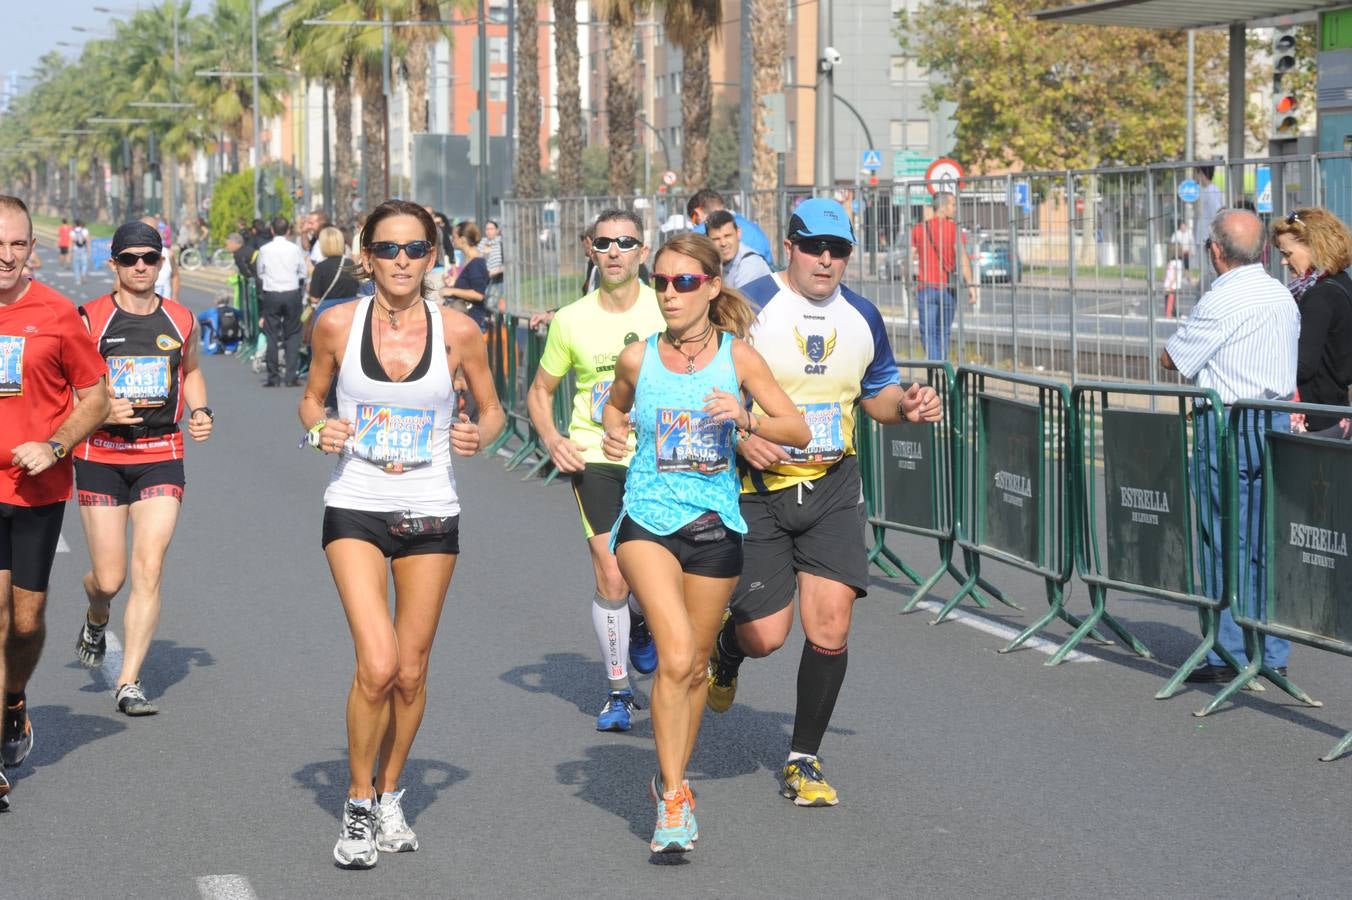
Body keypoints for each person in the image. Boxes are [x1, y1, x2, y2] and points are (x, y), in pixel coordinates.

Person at [705, 198, 943, 806]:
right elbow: (707, 386)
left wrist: (906, 407)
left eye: (838, 250)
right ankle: (727, 650)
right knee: (765, 636)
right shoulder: (750, 302)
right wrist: (742, 437)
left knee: (831, 625)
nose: (826, 260)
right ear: (790, 246)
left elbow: (877, 393)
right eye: (814, 247)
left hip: (833, 484)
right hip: (758, 489)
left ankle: (802, 760)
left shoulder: (863, 315)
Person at [299, 199, 504, 868]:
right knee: (379, 664)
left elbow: (493, 411)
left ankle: (390, 793)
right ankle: (357, 802)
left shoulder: (459, 331)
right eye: (388, 248)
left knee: (411, 675)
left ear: (432, 256)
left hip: (431, 510)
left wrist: (478, 436)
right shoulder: (336, 324)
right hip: (355, 506)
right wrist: (319, 429)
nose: (402, 261)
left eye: (415, 249)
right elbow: (312, 396)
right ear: (367, 256)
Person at [602, 233, 808, 853]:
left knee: (693, 665)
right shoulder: (637, 357)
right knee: (674, 656)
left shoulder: (737, 358)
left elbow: (796, 428)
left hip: (715, 525)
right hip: (646, 521)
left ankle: (673, 777)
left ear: (712, 287)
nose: (670, 293)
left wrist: (744, 418)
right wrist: (614, 434)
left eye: (685, 282)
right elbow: (614, 408)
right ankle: (672, 797)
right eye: (661, 282)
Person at [526, 208, 667, 732]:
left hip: (659, 456)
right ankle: (618, 692)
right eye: (604, 242)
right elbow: (540, 391)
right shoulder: (571, 319)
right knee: (611, 570)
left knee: (651, 570)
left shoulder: (666, 307)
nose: (614, 252)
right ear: (590, 248)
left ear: (642, 252)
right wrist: (554, 440)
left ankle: (642, 620)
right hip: (596, 456)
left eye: (625, 242)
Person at [72, 221, 213, 716]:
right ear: (113, 263)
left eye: (149, 258)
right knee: (109, 579)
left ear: (160, 262)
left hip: (160, 454)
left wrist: (200, 410)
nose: (140, 266)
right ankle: (96, 614)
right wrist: (99, 410)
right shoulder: (90, 319)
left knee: (149, 568)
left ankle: (128, 681)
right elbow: (66, 385)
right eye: (129, 258)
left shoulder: (180, 318)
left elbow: (190, 370)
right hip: (100, 454)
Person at [0, 195, 111, 811]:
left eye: (17, 244)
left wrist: (56, 444)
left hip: (37, 488)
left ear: (32, 248)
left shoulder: (56, 313)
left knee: (25, 621)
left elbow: (97, 396)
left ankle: (13, 697)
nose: (6, 256)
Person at [1160, 209, 1299, 683]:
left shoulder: (1221, 298)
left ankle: (1227, 653)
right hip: (1275, 420)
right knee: (1266, 541)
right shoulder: (1281, 295)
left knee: (1223, 538)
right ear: (1262, 251)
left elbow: (1175, 359)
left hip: (1229, 424)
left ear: (1216, 251)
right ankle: (1272, 651)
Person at [1271, 208, 1352, 438]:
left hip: (1315, 418)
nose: (1284, 262)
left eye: (1287, 253)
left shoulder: (1319, 296)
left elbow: (1303, 366)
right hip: (1336, 411)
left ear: (1314, 247)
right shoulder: (1341, 283)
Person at [910, 190, 976, 360]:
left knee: (928, 333)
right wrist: (971, 286)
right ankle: (942, 368)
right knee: (943, 332)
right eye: (953, 205)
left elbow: (909, 259)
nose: (955, 208)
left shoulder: (919, 228)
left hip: (925, 288)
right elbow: (962, 257)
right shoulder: (955, 229)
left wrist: (908, 281)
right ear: (943, 206)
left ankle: (934, 368)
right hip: (948, 288)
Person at [255, 215, 309, 387]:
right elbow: (303, 271)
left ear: (272, 230)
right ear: (288, 231)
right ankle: (291, 376)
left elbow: (260, 271)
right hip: (291, 292)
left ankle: (273, 376)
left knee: (271, 334)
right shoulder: (294, 249)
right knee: (292, 334)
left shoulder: (265, 249)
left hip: (271, 293)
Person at [686, 189, 773, 265]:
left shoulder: (700, 232)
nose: (695, 224)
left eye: (694, 219)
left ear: (697, 212)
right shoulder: (752, 227)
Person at [441, 221, 490, 331]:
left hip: (473, 321)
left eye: (454, 237)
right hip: (466, 319)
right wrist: (453, 283)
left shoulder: (476, 263)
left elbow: (479, 294)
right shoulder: (467, 260)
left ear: (462, 239)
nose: (452, 240)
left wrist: (451, 291)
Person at [705, 209, 772, 289]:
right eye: (716, 239)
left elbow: (739, 297)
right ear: (708, 240)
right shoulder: (713, 261)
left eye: (727, 236)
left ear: (738, 233)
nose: (723, 243)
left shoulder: (750, 264)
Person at [140, 216, 179, 301]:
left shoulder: (168, 254)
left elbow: (175, 276)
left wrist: (175, 297)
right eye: (145, 231)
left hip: (164, 307)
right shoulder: (130, 257)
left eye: (153, 231)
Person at [479, 219, 505, 307]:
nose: (489, 231)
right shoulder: (482, 243)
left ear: (497, 230)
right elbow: (478, 259)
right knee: (485, 302)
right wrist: (484, 253)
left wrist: (497, 271)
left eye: (492, 229)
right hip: (484, 278)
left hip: (498, 278)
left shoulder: (501, 243)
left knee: (493, 303)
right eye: (487, 229)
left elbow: (507, 262)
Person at [71, 219, 91, 287]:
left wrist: (70, 252)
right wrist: (89, 250)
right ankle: (83, 274)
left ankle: (78, 280)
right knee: (84, 264)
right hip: (83, 249)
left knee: (76, 265)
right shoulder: (85, 231)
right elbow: (88, 241)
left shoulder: (72, 232)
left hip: (75, 250)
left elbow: (71, 243)